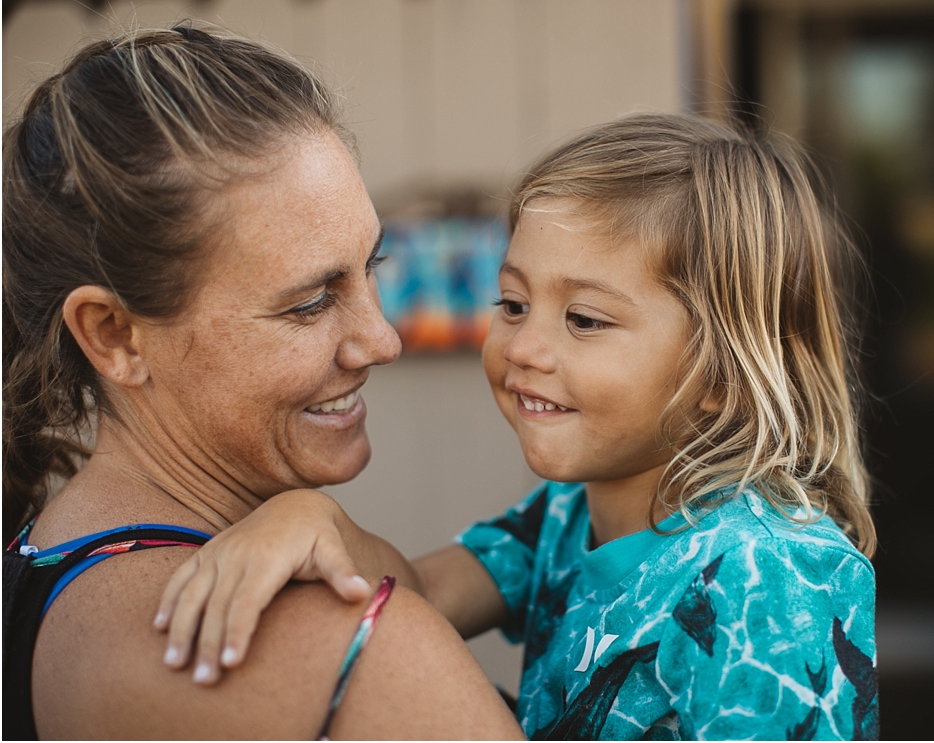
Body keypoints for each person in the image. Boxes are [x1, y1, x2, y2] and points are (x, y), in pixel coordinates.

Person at [156, 113, 880, 740]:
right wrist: (306, 516)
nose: (524, 347)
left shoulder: (768, 573)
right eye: (512, 303)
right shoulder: (563, 520)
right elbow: (419, 593)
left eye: (584, 320)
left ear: (722, 376)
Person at [1, 25, 523, 740]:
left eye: (373, 266)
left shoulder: (37, 573)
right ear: (115, 334)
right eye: (309, 301)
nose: (383, 339)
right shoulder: (353, 655)